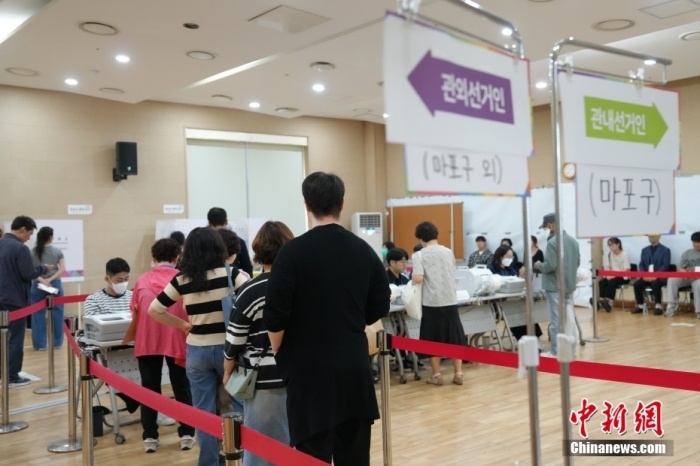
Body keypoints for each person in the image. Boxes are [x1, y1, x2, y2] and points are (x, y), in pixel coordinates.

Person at [264, 172, 389, 466]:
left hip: (308, 371)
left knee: (312, 456)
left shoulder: (291, 253)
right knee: (355, 457)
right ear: (342, 203)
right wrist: (350, 320)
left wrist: (279, 349)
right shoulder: (364, 250)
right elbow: (380, 304)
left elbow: (275, 314)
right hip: (353, 367)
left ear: (306, 205)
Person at [148, 227, 245, 466]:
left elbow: (154, 310)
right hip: (229, 351)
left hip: (197, 351)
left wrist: (182, 324)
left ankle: (209, 462)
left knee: (203, 412)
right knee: (240, 406)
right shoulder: (231, 273)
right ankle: (240, 457)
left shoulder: (182, 279)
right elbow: (250, 302)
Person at [223, 221, 294, 466]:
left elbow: (235, 338)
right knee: (295, 448)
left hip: (265, 379)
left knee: (263, 451)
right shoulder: (303, 286)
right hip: (302, 376)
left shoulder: (251, 290)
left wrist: (227, 371)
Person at [130, 239, 196, 453]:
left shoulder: (141, 281)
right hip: (178, 338)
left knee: (149, 389)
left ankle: (150, 437)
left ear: (153, 258)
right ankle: (187, 433)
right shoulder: (183, 279)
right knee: (182, 388)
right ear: (177, 258)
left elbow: (134, 310)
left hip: (147, 340)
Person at [412, 221, 466, 386]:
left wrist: (413, 280)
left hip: (432, 302)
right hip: (450, 299)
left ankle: (437, 376)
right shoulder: (448, 251)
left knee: (433, 339)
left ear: (421, 238)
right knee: (454, 337)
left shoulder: (419, 255)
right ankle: (458, 373)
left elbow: (418, 278)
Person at [0, 216, 52, 387]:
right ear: (22, 229)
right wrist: (43, 268)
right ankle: (12, 376)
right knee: (15, 338)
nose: (29, 238)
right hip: (15, 299)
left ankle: (2, 372)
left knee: (2, 337)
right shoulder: (20, 248)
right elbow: (28, 273)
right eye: (29, 234)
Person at [533, 213, 580, 357]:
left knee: (556, 320)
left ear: (550, 226)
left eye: (545, 227)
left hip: (554, 286)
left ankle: (555, 351)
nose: (545, 230)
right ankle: (571, 350)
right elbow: (577, 263)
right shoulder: (573, 241)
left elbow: (550, 265)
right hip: (569, 285)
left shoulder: (553, 242)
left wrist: (538, 265)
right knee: (569, 320)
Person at [488, 245, 543, 341]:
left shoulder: (509, 269)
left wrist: (521, 277)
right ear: (500, 256)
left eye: (511, 257)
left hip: (513, 301)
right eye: (508, 257)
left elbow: (517, 281)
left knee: (525, 311)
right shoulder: (491, 269)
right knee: (513, 313)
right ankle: (523, 339)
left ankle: (535, 336)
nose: (510, 259)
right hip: (500, 304)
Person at [30, 226, 66, 350]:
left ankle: (40, 345)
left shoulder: (33, 251)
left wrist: (43, 280)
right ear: (51, 237)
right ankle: (57, 343)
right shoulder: (57, 251)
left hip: (38, 284)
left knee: (37, 314)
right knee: (58, 313)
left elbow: (31, 270)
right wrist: (50, 280)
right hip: (55, 284)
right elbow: (62, 269)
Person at [632, 235, 671, 315]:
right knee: (637, 284)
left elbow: (665, 265)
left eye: (653, 236)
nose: (651, 237)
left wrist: (655, 276)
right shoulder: (644, 250)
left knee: (655, 284)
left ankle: (658, 306)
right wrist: (644, 275)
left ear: (659, 237)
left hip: (659, 277)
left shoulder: (666, 250)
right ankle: (640, 306)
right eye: (650, 236)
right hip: (646, 276)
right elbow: (641, 264)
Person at [207, 207, 253, 276]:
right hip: (234, 279)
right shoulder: (239, 241)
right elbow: (247, 268)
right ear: (226, 222)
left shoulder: (204, 242)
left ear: (209, 223)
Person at [665, 232, 700, 318]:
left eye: (698, 242)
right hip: (688, 276)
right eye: (694, 242)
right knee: (671, 279)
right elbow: (681, 268)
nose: (696, 244)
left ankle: (698, 311)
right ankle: (671, 307)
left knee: (698, 284)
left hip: (698, 278)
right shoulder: (687, 253)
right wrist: (683, 272)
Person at [596, 237, 631, 312]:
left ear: (618, 244)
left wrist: (614, 275)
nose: (611, 247)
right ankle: (601, 302)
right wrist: (608, 275)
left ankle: (609, 303)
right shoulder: (610, 254)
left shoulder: (624, 254)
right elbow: (609, 267)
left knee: (612, 282)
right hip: (613, 276)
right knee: (602, 282)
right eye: (609, 245)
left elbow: (626, 270)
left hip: (623, 277)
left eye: (612, 245)